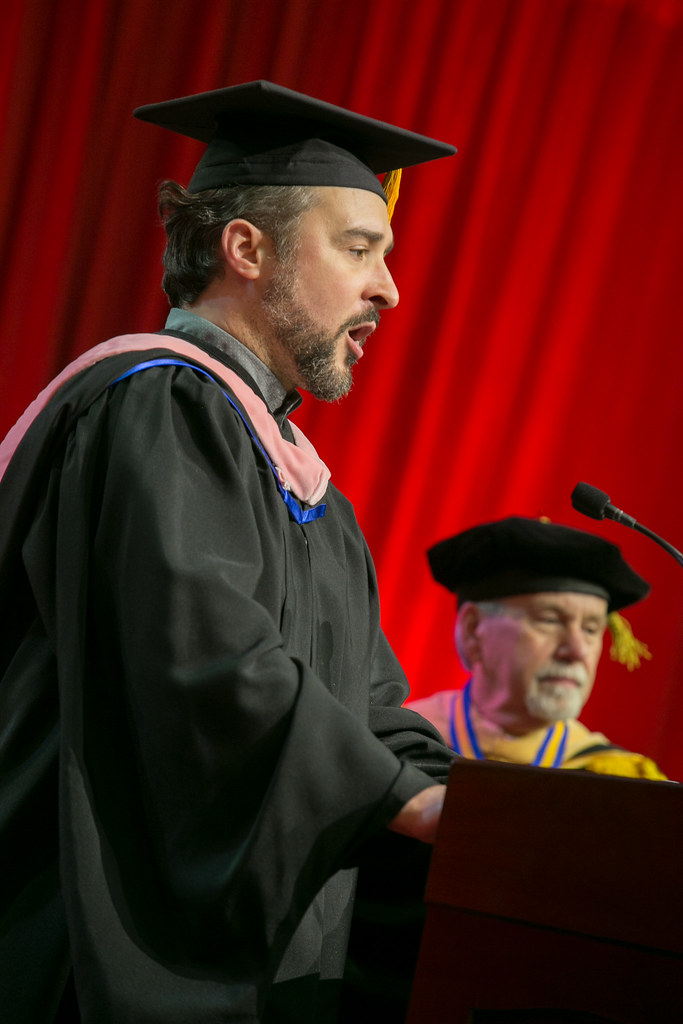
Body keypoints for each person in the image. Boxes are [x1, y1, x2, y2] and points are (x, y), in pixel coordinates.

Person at [0, 81, 458, 1022]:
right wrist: (398, 803)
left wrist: (480, 811)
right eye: (358, 249)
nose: (388, 288)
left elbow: (367, 705)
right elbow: (208, 664)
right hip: (92, 945)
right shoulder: (156, 405)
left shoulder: (308, 491)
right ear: (246, 249)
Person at [407, 516, 668, 779]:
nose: (577, 651)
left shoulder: (621, 780)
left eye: (590, 629)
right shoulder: (401, 744)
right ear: (473, 629)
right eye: (549, 620)